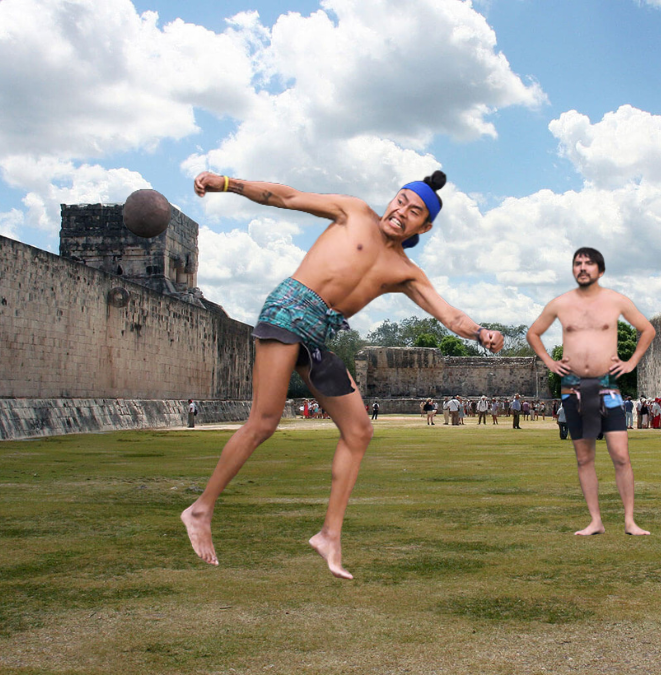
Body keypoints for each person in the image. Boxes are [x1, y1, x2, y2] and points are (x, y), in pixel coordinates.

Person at [181, 170, 504, 579]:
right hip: (289, 308)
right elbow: (286, 197)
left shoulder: (405, 272)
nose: (401, 211)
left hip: (318, 333)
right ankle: (200, 509)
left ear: (425, 226)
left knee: (359, 431)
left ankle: (329, 535)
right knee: (263, 422)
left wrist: (480, 332)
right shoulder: (353, 212)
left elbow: (449, 314)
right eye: (400, 200)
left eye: (414, 210)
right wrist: (228, 184)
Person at [527, 247, 657, 536]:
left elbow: (647, 329)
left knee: (620, 455)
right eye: (577, 263)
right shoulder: (560, 303)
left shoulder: (616, 301)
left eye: (588, 263)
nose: (582, 268)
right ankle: (595, 521)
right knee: (584, 457)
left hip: (607, 385)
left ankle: (630, 520)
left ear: (600, 270)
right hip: (572, 386)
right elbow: (533, 333)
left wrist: (632, 362)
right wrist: (549, 362)